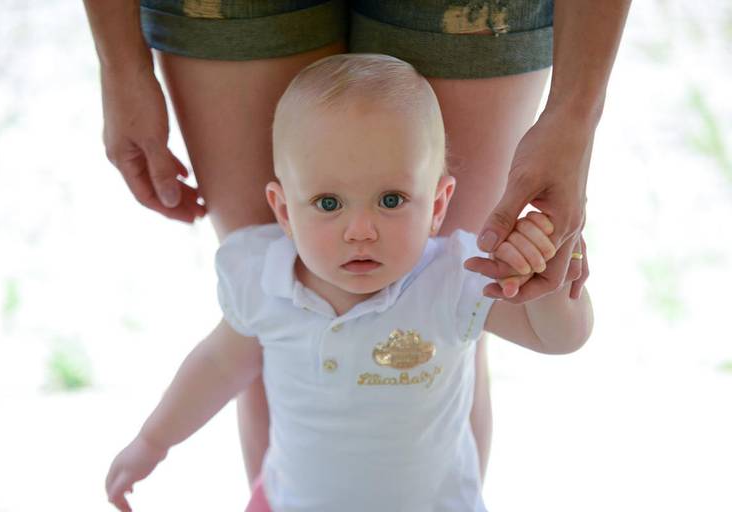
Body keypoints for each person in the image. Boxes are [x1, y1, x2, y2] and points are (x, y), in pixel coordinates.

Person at [83, 0, 629, 491]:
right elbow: (217, 367)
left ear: (438, 204)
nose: (360, 230)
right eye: (327, 203)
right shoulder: (264, 279)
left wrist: (550, 276)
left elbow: (560, 339)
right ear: (282, 210)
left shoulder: (457, 278)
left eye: (392, 200)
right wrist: (152, 442)